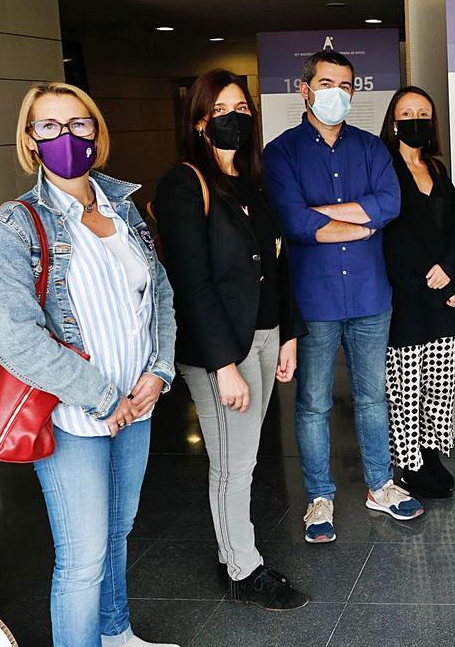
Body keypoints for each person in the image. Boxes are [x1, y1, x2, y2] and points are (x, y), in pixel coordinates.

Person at [0, 83, 176, 646]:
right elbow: (15, 338)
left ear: (97, 131)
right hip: (75, 419)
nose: (67, 136)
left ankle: (116, 634)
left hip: (137, 406)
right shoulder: (18, 223)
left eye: (79, 123)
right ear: (30, 139)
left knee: (118, 533)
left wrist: (159, 371)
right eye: (49, 126)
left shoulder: (123, 209)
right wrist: (102, 397)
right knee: (82, 559)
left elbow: (158, 294)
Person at [153, 70, 308, 610]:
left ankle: (236, 552)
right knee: (234, 462)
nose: (235, 116)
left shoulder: (253, 181)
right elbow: (191, 282)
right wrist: (224, 364)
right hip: (223, 350)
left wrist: (288, 335)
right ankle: (242, 567)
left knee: (244, 454)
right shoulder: (183, 183)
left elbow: (279, 264)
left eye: (241, 107)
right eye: (221, 109)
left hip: (264, 337)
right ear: (200, 122)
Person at [263, 49, 423, 543]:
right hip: (313, 300)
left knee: (375, 397)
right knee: (312, 403)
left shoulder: (372, 148)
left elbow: (390, 204)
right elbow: (294, 221)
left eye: (346, 85)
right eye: (327, 83)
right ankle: (319, 497)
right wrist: (359, 221)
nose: (338, 93)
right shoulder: (282, 152)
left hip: (371, 296)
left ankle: (380, 485)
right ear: (304, 88)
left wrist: (324, 216)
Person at [377, 86, 455, 499]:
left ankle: (432, 456)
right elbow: (394, 239)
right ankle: (410, 467)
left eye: (423, 112)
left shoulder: (436, 169)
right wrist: (434, 284)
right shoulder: (384, 170)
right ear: (393, 121)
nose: (416, 119)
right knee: (407, 390)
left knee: (439, 385)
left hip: (444, 298)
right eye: (407, 112)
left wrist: (453, 278)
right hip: (408, 303)